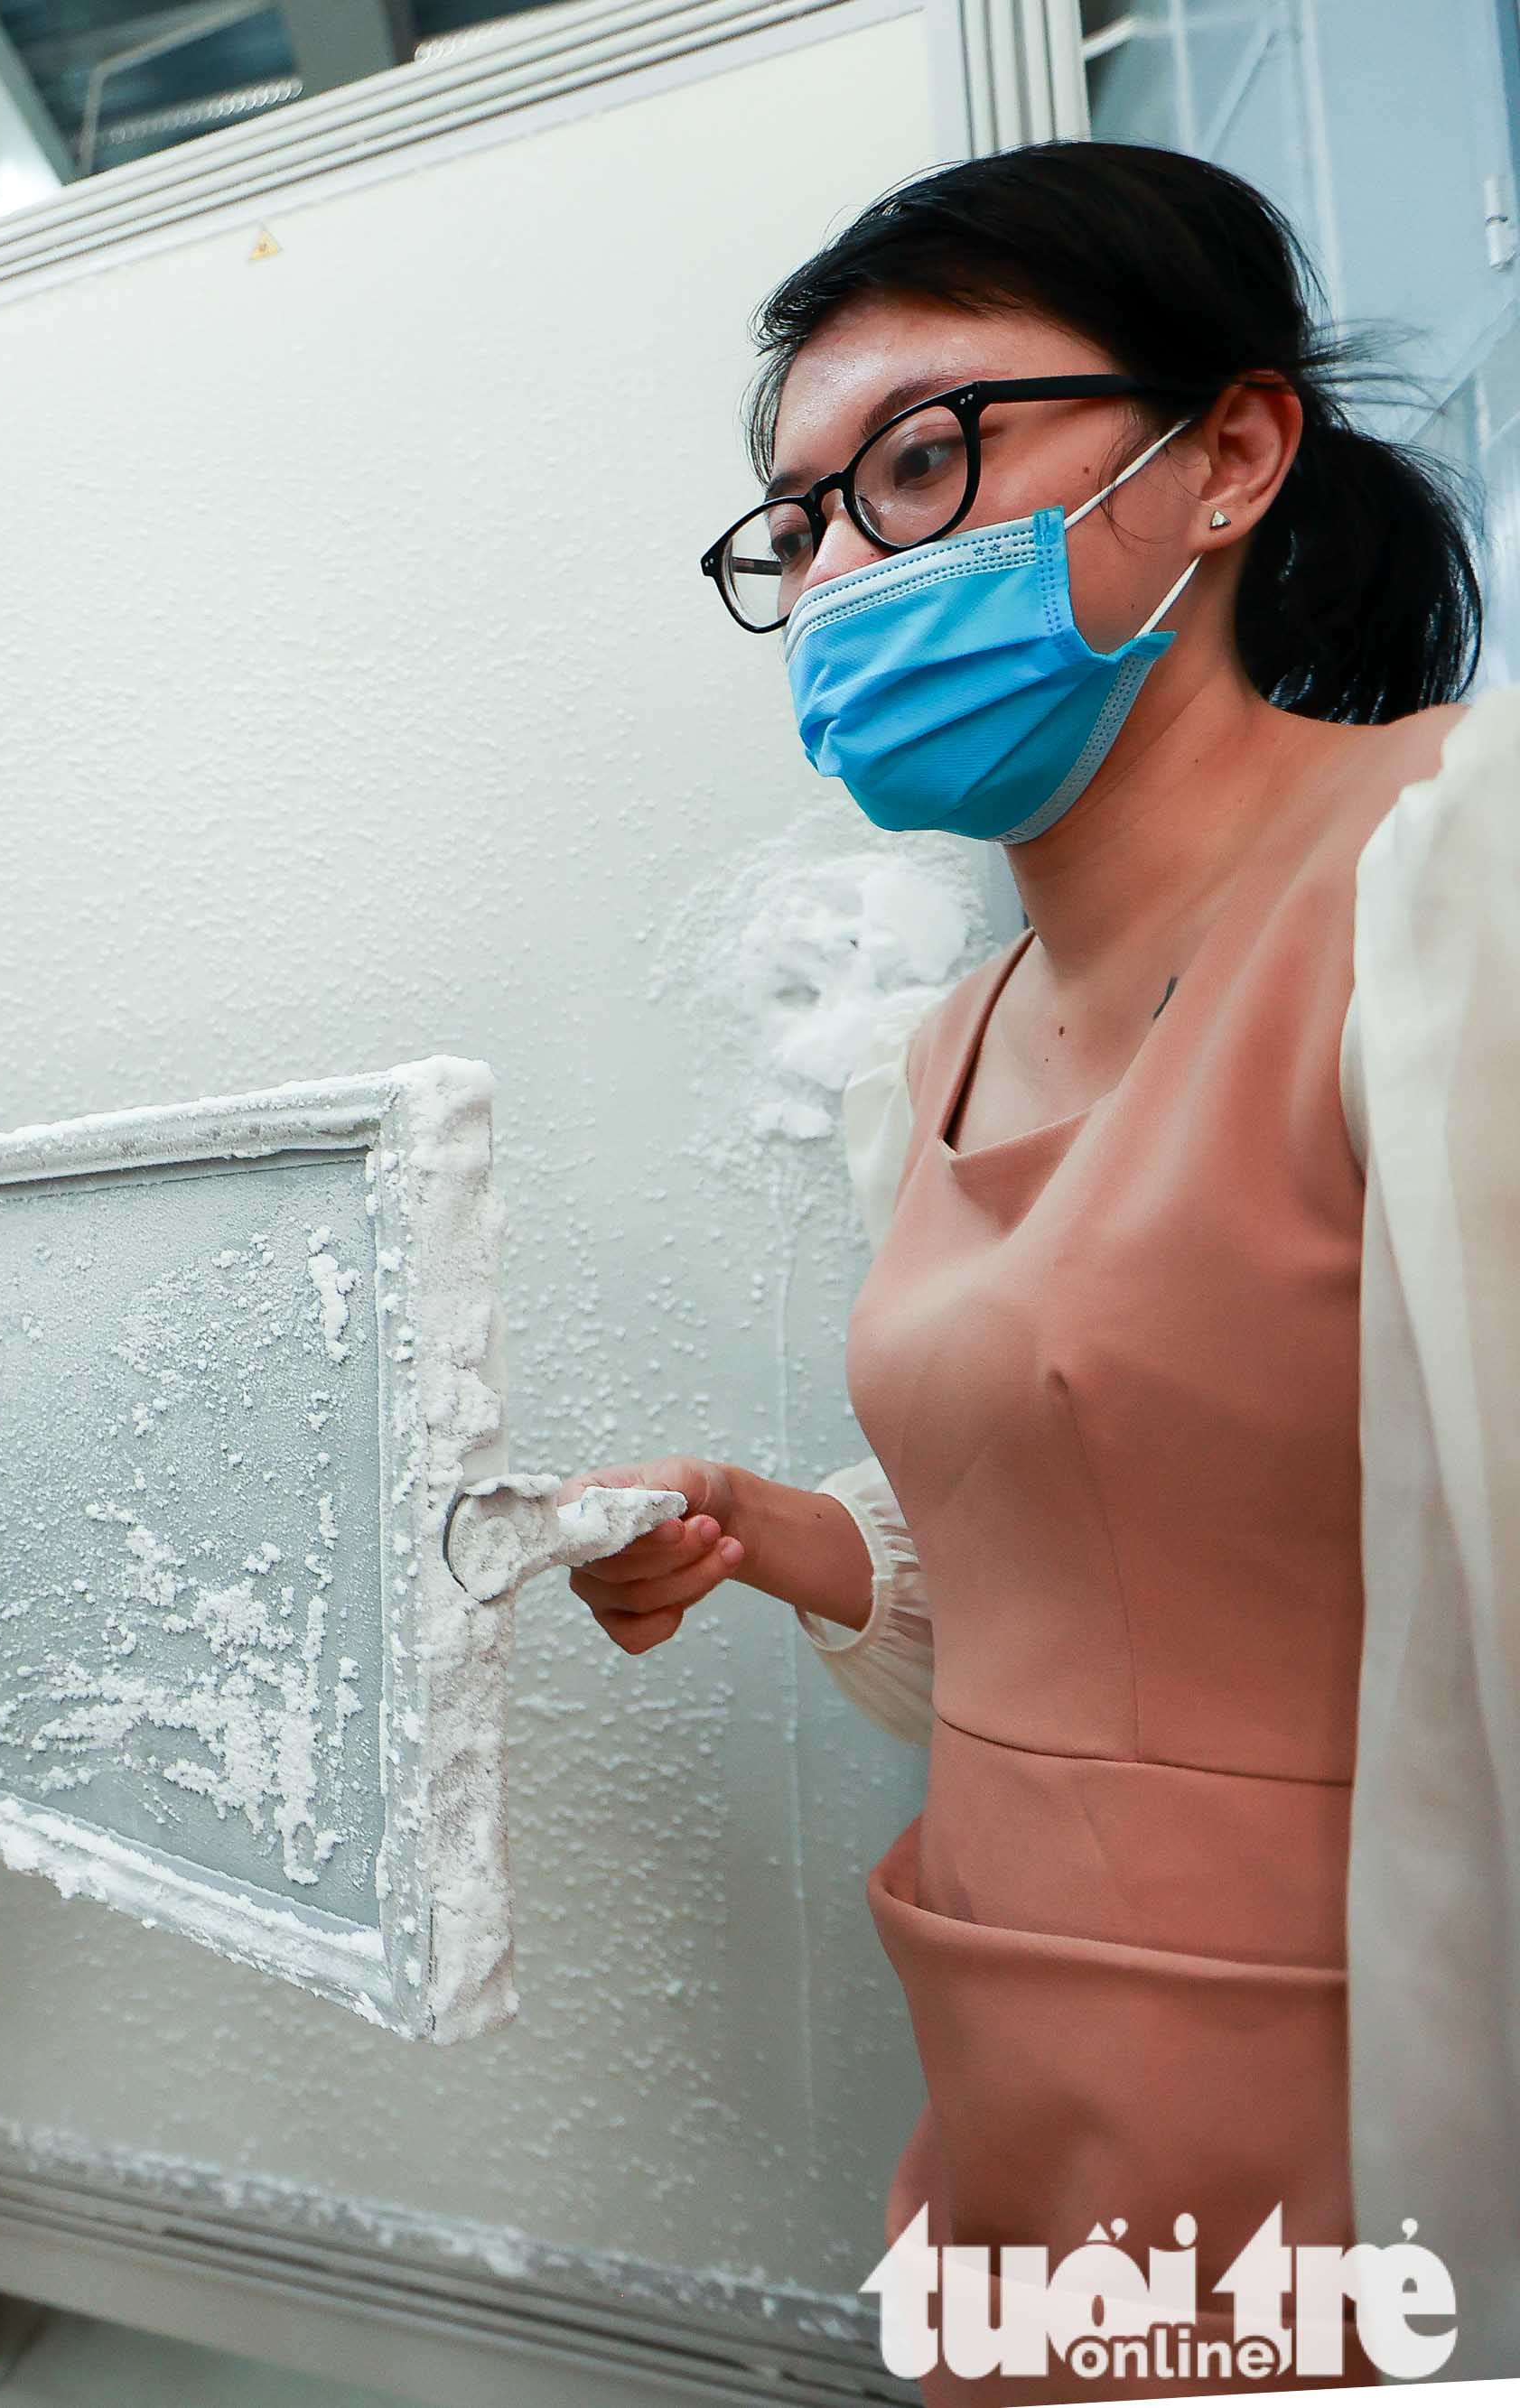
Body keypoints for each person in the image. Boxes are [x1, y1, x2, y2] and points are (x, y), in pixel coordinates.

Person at [568, 143, 1517, 2401]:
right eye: (795, 526)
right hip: (1009, 2081)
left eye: (917, 461)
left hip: (1360, 2122)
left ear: (1229, 457)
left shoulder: (1456, 876)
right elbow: (1098, 1570)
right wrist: (801, 1544)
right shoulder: (948, 1047)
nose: (835, 574)